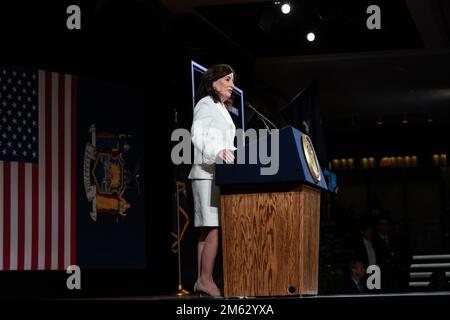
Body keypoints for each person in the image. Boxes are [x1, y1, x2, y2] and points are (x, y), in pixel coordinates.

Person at [188, 64, 237, 297]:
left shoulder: (221, 108)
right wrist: (216, 152)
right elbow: (197, 135)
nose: (232, 85)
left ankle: (201, 280)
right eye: (227, 80)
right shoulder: (205, 104)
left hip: (217, 174)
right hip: (206, 172)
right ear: (214, 81)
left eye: (233, 80)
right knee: (214, 228)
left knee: (208, 230)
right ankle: (206, 280)